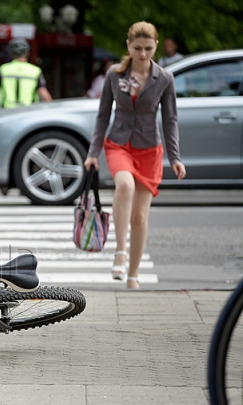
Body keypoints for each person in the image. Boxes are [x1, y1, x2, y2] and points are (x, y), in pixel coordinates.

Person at [83, 21, 186, 289]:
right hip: (118, 143)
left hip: (149, 149)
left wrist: (174, 157)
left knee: (140, 218)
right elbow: (103, 114)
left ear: (155, 46)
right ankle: (120, 251)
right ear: (128, 45)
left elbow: (170, 119)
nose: (143, 54)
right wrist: (93, 152)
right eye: (138, 48)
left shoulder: (164, 78)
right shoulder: (115, 75)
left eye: (148, 48)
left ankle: (133, 274)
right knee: (124, 185)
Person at [0, 37, 52, 110]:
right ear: (27, 53)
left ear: (10, 53)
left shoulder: (3, 69)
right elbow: (44, 95)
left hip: (5, 112)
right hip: (27, 113)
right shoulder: (35, 71)